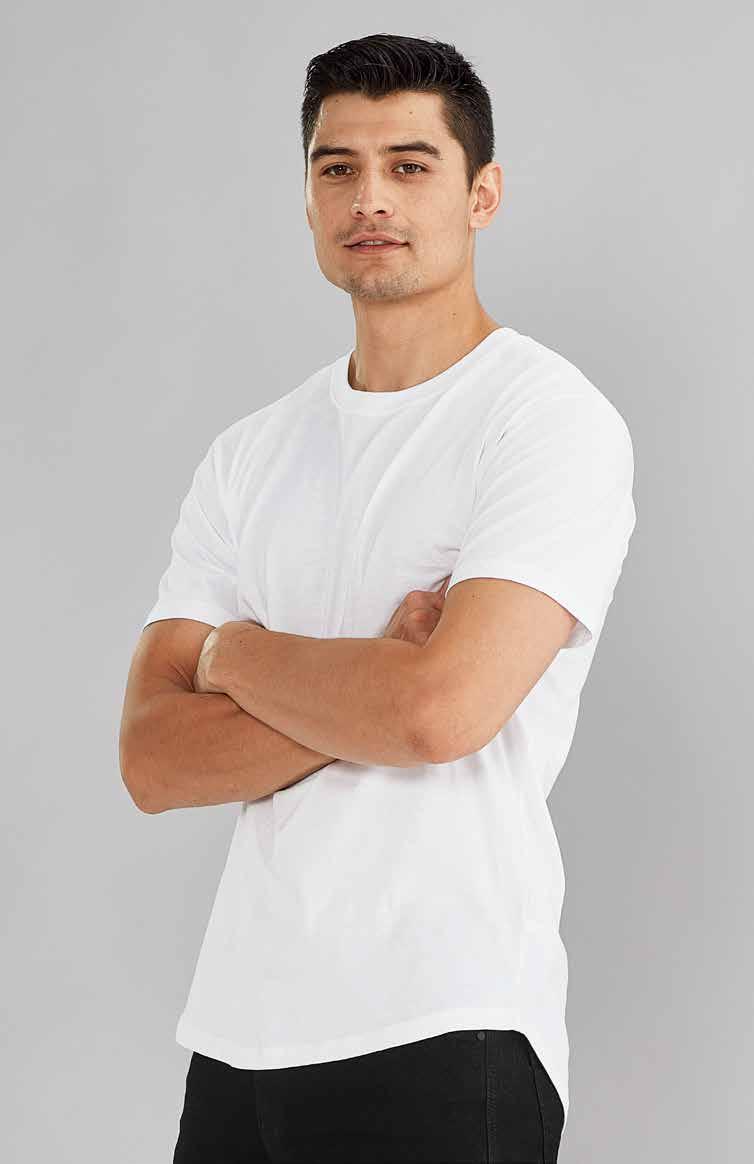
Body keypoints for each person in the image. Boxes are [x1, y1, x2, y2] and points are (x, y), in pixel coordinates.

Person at [119, 32, 637, 1163]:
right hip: (240, 1037)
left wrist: (229, 656)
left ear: (481, 193)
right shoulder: (249, 454)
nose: (370, 199)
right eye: (337, 168)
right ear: (307, 198)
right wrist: (372, 674)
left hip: (445, 1020)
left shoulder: (545, 420)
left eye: (410, 165)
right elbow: (152, 760)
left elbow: (437, 713)